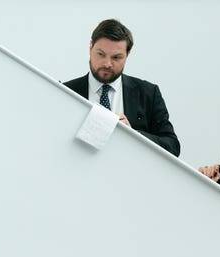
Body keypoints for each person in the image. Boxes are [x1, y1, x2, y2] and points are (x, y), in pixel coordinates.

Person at [64, 19, 180, 156]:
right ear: (90, 48)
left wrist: (133, 136)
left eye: (116, 57)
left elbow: (172, 147)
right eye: (101, 54)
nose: (107, 64)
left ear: (127, 55)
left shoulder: (148, 93)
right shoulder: (65, 92)